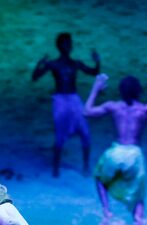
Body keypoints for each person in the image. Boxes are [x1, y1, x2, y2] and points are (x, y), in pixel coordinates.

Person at [84, 73, 147, 225]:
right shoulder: (145, 109)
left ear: (121, 92)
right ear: (139, 91)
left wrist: (96, 89)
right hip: (134, 154)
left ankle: (107, 211)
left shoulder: (114, 107)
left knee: (99, 178)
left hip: (116, 152)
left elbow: (87, 111)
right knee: (138, 195)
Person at [32, 32, 100, 177]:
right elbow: (35, 77)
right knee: (60, 134)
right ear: (60, 46)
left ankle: (86, 166)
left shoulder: (76, 63)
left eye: (69, 43)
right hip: (60, 100)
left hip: (74, 99)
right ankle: (56, 168)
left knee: (85, 132)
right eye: (65, 43)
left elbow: (94, 72)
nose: (68, 46)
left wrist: (97, 61)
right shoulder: (54, 64)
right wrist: (39, 65)